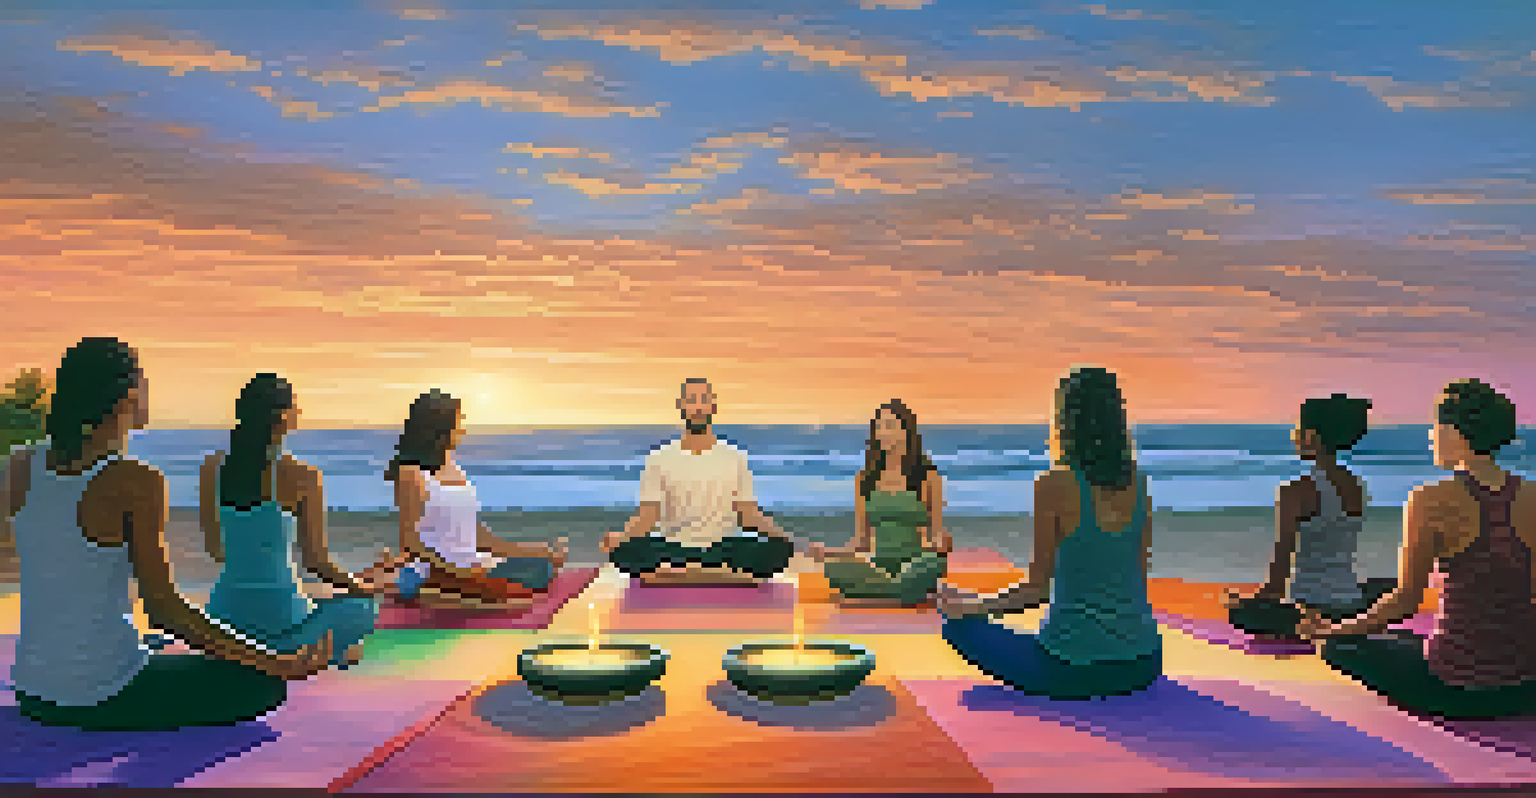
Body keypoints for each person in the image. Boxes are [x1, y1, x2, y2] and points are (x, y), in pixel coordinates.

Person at [1, 337, 332, 731]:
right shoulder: (136, 481)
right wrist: (276, 661)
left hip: (32, 690)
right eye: (143, 383)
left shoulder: (18, 465)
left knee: (164, 651)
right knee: (263, 686)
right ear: (126, 396)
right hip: (101, 692)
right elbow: (163, 610)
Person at [1300, 378, 1536, 719]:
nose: (1431, 436)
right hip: (1526, 685)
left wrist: (1333, 629)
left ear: (1454, 433)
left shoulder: (1429, 499)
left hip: (1458, 690)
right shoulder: (1532, 496)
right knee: (1406, 638)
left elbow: (1405, 601)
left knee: (1340, 645)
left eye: (1435, 428)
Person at [936, 366, 1161, 700]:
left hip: (1072, 667)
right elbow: (1137, 576)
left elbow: (1036, 591)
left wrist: (970, 606)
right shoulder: (1139, 483)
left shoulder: (1055, 485)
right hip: (1144, 664)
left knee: (957, 628)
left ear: (1066, 422)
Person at [202, 374, 385, 668]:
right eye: (296, 408)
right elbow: (316, 561)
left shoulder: (212, 468)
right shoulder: (303, 476)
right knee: (362, 608)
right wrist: (361, 587)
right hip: (283, 624)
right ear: (284, 416)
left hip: (224, 620)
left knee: (315, 605)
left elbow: (216, 550)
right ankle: (318, 652)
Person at [1221, 394, 1396, 641]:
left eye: (1297, 429)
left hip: (1309, 603)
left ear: (1311, 437)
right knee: (1382, 587)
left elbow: (1281, 563)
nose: (1294, 436)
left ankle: (1308, 625)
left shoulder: (1295, 491)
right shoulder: (1357, 486)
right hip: (1349, 601)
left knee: (1239, 613)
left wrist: (1254, 601)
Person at [602, 378, 796, 583]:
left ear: (712, 407)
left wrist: (782, 537)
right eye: (691, 400)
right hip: (673, 546)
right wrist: (622, 538)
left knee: (778, 550)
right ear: (681, 406)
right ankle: (720, 574)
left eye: (703, 400)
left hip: (724, 546)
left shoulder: (735, 457)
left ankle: (677, 574)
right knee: (624, 551)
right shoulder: (659, 458)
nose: (697, 407)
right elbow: (648, 517)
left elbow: (748, 516)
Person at [386, 389, 566, 606]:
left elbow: (479, 537)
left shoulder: (454, 468)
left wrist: (536, 550)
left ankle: (469, 589)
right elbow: (410, 543)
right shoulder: (412, 474)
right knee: (504, 588)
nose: (461, 430)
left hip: (472, 563)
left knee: (541, 568)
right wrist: (456, 570)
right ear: (439, 428)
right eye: (457, 422)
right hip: (432, 569)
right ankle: (442, 590)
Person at [808, 400, 949, 606]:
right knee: (833, 568)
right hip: (879, 567)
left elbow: (935, 532)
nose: (883, 433)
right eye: (879, 427)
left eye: (890, 426)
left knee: (932, 565)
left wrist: (941, 542)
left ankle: (878, 596)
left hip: (916, 565)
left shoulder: (927, 476)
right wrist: (829, 553)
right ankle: (898, 594)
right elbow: (862, 542)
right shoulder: (865, 479)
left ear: (906, 431)